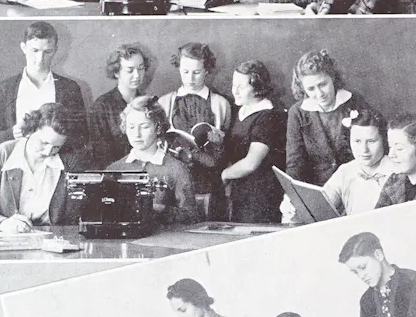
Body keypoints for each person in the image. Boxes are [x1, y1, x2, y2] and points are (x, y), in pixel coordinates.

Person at [0, 103, 78, 233]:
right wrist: (3, 224)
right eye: (44, 142)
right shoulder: (4, 153)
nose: (48, 152)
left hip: (53, 242)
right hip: (11, 241)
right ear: (30, 130)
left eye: (56, 147)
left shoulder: (68, 161)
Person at [286, 49, 384, 186]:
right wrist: (292, 193)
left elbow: (378, 142)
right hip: (319, 187)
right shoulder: (298, 113)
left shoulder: (354, 101)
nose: (319, 93)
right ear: (303, 89)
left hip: (356, 183)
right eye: (311, 89)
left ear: (332, 78)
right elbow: (295, 161)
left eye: (323, 84)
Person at [0, 22, 88, 151]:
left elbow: (82, 137)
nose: (40, 58)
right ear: (23, 47)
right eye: (34, 50)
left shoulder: (70, 88)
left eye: (47, 52)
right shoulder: (6, 88)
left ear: (55, 50)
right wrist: (12, 133)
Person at [106, 96, 198, 226]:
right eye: (131, 127)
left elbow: (191, 216)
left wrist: (161, 209)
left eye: (144, 127)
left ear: (158, 128)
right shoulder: (113, 169)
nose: (136, 134)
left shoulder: (176, 169)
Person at [158, 42, 231, 204]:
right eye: (185, 72)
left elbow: (226, 152)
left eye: (196, 72)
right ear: (178, 68)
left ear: (207, 70)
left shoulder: (221, 104)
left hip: (209, 181)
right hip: (175, 181)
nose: (190, 79)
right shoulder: (165, 103)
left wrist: (218, 144)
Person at [221, 60, 286, 223]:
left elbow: (251, 163)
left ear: (257, 88)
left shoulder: (268, 117)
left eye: (241, 87)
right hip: (241, 192)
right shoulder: (240, 110)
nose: (234, 91)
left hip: (261, 195)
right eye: (233, 85)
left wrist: (225, 174)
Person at [88, 43, 149, 166]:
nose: (137, 75)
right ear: (116, 72)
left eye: (141, 68)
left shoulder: (149, 103)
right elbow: (101, 156)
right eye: (130, 70)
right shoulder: (101, 106)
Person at [321, 112, 393, 215]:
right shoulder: (345, 170)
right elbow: (322, 207)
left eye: (371, 141)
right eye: (357, 141)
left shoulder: (396, 169)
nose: (364, 149)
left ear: (384, 141)